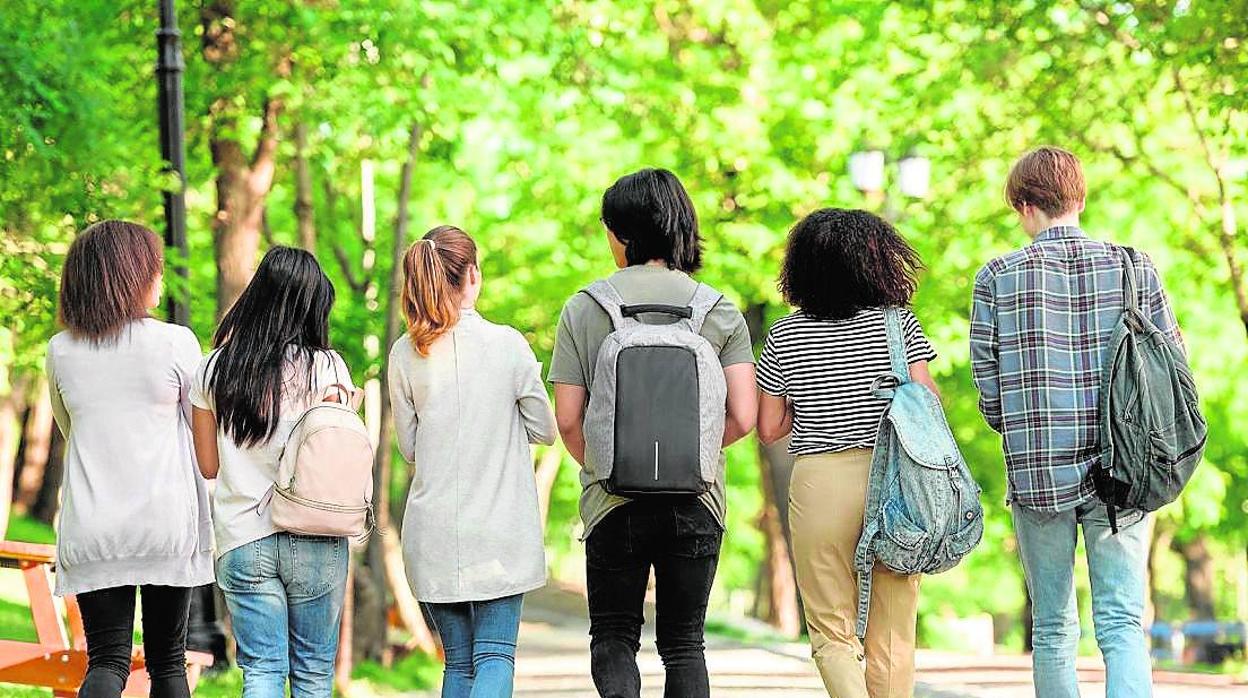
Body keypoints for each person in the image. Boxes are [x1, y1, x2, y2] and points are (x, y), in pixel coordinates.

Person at [971, 146, 1180, 698]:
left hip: (1040, 473)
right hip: (1126, 469)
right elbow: (1173, 365)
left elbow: (988, 386)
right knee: (1121, 622)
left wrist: (1025, 428)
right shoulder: (1134, 266)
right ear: (1080, 198)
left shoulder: (997, 277)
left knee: (1053, 626)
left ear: (1022, 205)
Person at [549, 168, 758, 698]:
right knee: (685, 645)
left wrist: (604, 462)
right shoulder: (719, 310)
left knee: (615, 637)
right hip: (697, 499)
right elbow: (745, 416)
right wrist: (695, 453)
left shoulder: (585, 307)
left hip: (612, 502)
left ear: (623, 233)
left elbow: (568, 418)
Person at [755, 208, 939, 698]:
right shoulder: (899, 326)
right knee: (894, 628)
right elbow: (928, 403)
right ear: (878, 261)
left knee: (831, 629)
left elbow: (769, 427)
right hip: (895, 481)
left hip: (820, 483)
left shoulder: (782, 334)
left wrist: (814, 402)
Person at [45, 220, 214, 698]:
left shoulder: (61, 350)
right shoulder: (176, 342)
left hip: (94, 527)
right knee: (167, 665)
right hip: (165, 525)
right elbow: (203, 429)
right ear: (132, 274)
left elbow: (69, 428)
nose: (160, 279)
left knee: (106, 662)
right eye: (154, 270)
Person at [388, 225, 556, 698]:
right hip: (501, 536)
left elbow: (409, 447)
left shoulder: (405, 353)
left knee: (458, 665)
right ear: (473, 277)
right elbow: (545, 429)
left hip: (435, 533)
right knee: (495, 657)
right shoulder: (508, 345)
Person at [190, 246, 353, 698]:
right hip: (316, 534)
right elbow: (339, 458)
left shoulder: (214, 368)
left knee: (261, 671)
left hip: (243, 537)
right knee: (314, 674)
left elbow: (208, 464)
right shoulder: (328, 368)